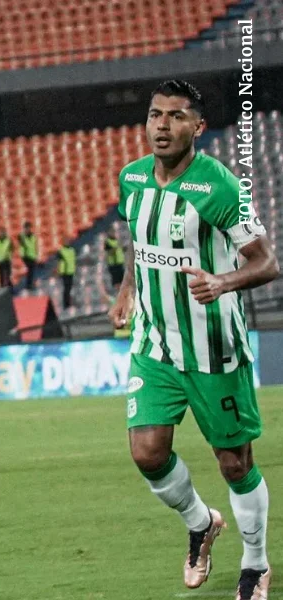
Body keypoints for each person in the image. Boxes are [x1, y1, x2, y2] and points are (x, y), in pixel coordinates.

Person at [110, 80, 280, 600]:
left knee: (235, 462)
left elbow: (267, 261)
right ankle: (201, 522)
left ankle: (256, 565)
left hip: (214, 349)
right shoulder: (133, 178)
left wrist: (222, 282)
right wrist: (127, 290)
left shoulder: (220, 187)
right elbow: (139, 242)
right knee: (146, 452)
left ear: (197, 127)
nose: (162, 125)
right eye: (155, 115)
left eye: (176, 116)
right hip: (155, 345)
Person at [18, 221, 38, 291]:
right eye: (26, 228)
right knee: (30, 270)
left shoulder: (33, 236)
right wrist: (23, 256)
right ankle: (29, 285)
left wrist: (36, 255)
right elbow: (22, 246)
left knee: (31, 271)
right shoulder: (22, 236)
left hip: (32, 256)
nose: (27, 229)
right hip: (26, 256)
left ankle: (30, 284)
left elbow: (35, 246)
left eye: (28, 227)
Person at [104, 224, 125, 290]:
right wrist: (116, 248)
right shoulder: (107, 242)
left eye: (114, 231)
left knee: (122, 280)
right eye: (111, 231)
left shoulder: (117, 240)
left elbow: (121, 250)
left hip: (119, 263)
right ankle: (118, 293)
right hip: (113, 264)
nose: (113, 233)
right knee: (116, 281)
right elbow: (109, 252)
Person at [56, 242, 76, 310]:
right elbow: (59, 262)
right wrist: (59, 271)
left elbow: (73, 260)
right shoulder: (60, 251)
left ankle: (68, 303)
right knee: (66, 288)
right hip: (64, 272)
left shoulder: (72, 250)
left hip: (71, 271)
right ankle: (66, 304)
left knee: (69, 288)